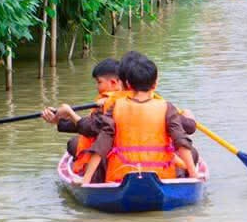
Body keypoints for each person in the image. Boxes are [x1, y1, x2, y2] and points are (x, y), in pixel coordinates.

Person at [75, 52, 199, 183]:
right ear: (155, 84)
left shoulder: (115, 107)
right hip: (161, 175)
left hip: (121, 175)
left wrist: (86, 179)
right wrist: (193, 173)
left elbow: (102, 144)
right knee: (191, 153)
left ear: (127, 83)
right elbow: (181, 142)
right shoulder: (167, 107)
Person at [42, 58, 123, 162]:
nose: (97, 87)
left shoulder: (112, 102)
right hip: (121, 149)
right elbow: (93, 122)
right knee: (75, 142)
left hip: (114, 151)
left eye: (99, 82)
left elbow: (92, 129)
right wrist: (58, 120)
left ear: (113, 82)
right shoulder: (128, 95)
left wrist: (70, 113)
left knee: (73, 143)